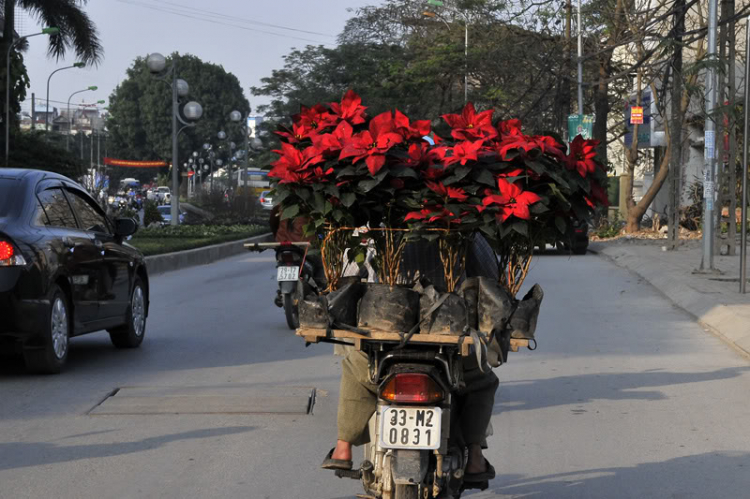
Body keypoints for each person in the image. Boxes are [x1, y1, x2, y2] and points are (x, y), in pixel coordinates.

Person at [321, 234, 500, 485]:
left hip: (383, 338)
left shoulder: (369, 230)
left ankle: (343, 448)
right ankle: (475, 457)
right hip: (447, 339)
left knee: (355, 369)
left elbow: (347, 278)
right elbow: (490, 280)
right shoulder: (465, 230)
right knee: (481, 380)